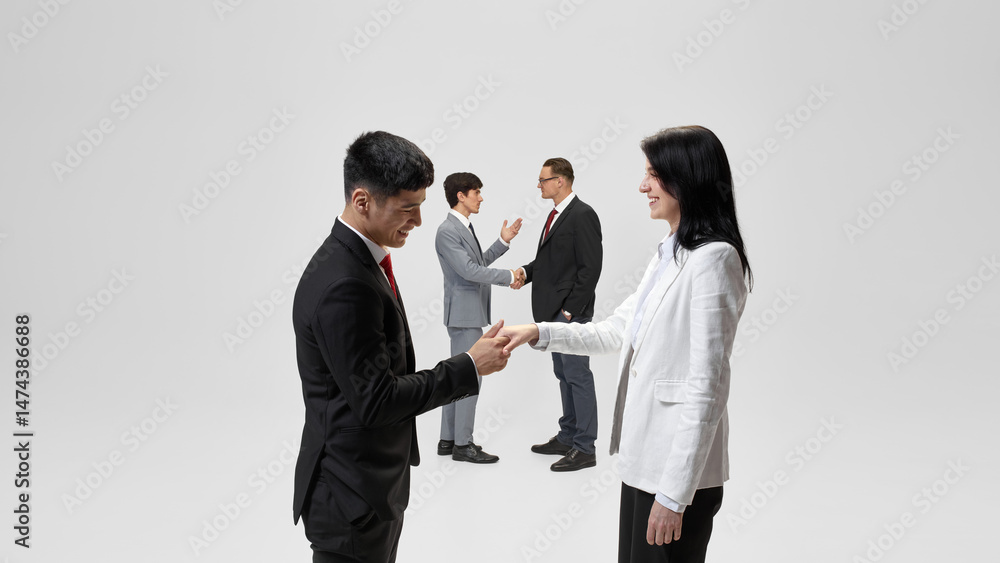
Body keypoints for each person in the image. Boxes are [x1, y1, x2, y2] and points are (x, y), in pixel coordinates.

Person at [501, 126, 752, 562]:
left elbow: (708, 386)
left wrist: (674, 496)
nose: (643, 185)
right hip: (645, 462)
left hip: (676, 479)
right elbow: (616, 331)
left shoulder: (715, 259)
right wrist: (537, 332)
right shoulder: (672, 252)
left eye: (654, 174)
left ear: (686, 178)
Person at [291, 131, 510, 563]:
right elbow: (377, 401)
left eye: (421, 206)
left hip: (367, 487)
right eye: (408, 208)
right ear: (362, 201)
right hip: (351, 498)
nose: (419, 221)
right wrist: (468, 365)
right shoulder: (345, 283)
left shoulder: (357, 260)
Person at [515, 157, 603, 472]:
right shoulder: (555, 215)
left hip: (570, 315)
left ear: (560, 181)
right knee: (563, 373)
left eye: (543, 180)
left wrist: (569, 311)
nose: (539, 185)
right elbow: (550, 263)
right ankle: (568, 436)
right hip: (552, 314)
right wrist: (525, 272)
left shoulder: (583, 215)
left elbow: (590, 268)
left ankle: (585, 447)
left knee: (578, 375)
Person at [434, 172, 524, 464]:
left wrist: (502, 242)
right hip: (463, 316)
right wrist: (509, 275)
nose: (481, 197)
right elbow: (470, 272)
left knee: (457, 377)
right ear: (461, 195)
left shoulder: (463, 227)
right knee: (470, 377)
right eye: (476, 192)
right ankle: (463, 444)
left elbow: (477, 264)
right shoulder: (447, 231)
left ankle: (448, 441)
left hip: (467, 314)